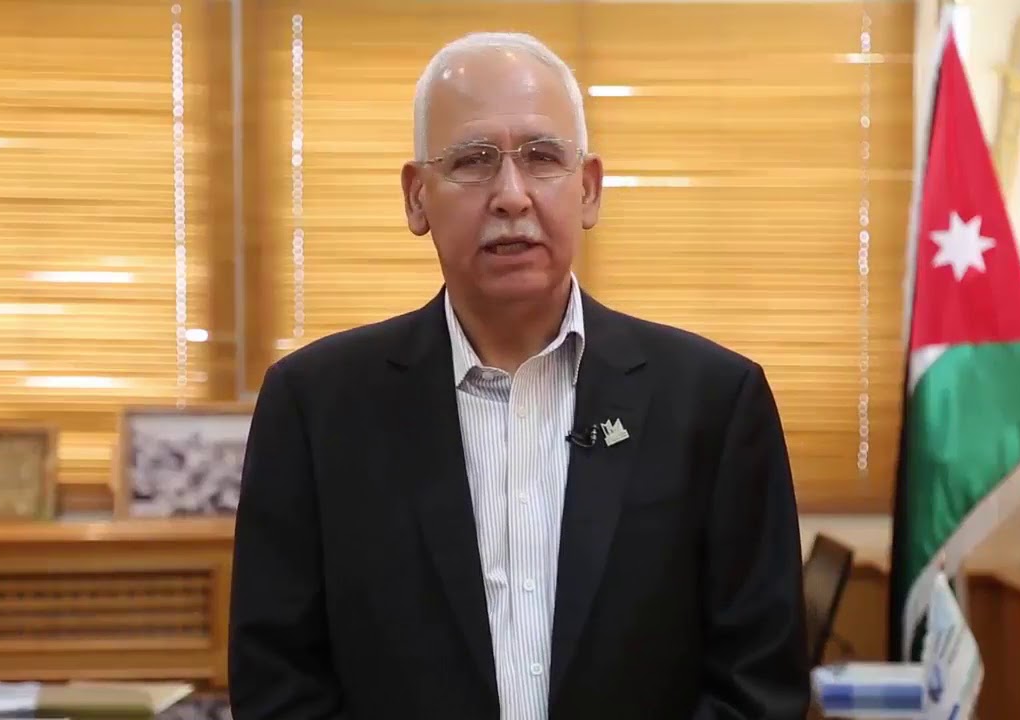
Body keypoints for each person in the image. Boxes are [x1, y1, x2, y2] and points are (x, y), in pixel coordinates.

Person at [228, 31, 810, 720]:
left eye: (543, 157)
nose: (511, 196)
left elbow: (758, 687)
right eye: (473, 160)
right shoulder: (315, 408)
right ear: (416, 198)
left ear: (589, 189)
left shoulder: (714, 403)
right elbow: (279, 685)